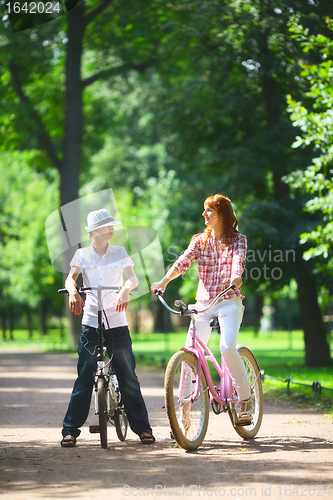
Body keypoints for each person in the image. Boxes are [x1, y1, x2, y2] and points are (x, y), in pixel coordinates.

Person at [151, 194, 252, 422]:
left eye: (209, 210)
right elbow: (182, 262)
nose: (203, 215)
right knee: (188, 355)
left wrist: (236, 276)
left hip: (229, 301)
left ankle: (245, 399)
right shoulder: (199, 241)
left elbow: (239, 259)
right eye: (204, 210)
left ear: (222, 214)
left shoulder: (239, 240)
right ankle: (184, 416)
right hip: (203, 305)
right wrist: (164, 282)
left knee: (227, 348)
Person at [61, 208, 155, 447]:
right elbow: (71, 278)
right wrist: (73, 291)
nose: (112, 229)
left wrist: (125, 289)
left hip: (117, 322)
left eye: (112, 225)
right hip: (91, 322)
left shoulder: (119, 252)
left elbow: (133, 279)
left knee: (128, 376)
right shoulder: (81, 255)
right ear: (93, 232)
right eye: (106, 226)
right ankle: (70, 430)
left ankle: (143, 428)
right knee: (84, 376)